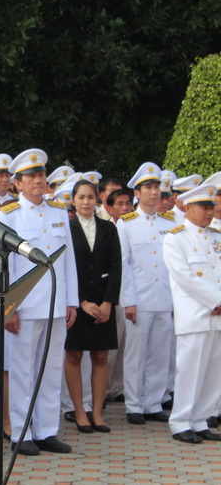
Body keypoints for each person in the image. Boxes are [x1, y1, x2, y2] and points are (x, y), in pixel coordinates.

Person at [0, 148, 78, 456]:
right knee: (22, 372)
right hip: (25, 307)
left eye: (41, 175)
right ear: (18, 183)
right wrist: (9, 308)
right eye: (31, 177)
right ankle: (20, 432)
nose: (39, 180)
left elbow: (68, 261)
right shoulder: (8, 216)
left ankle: (46, 431)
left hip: (56, 303)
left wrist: (72, 301)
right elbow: (4, 266)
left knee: (51, 369)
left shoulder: (59, 213)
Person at [117, 162, 175, 425]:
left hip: (165, 298)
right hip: (138, 299)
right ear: (137, 193)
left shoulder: (170, 223)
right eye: (148, 188)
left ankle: (153, 402)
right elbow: (124, 265)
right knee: (136, 354)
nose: (154, 192)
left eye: (156, 187)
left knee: (161, 354)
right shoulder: (127, 224)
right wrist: (128, 300)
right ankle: (134, 405)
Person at [163, 183, 221, 444]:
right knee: (189, 371)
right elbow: (185, 278)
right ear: (187, 208)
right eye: (203, 207)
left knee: (213, 372)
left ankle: (200, 420)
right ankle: (180, 421)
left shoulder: (216, 236)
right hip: (195, 314)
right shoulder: (175, 238)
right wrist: (216, 301)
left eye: (211, 206)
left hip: (217, 317)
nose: (209, 212)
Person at [63, 180, 121, 434]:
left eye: (90, 197)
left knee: (100, 356)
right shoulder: (66, 228)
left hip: (103, 302)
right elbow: (65, 267)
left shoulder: (108, 228)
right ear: (73, 200)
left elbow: (116, 267)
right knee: (74, 355)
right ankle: (79, 411)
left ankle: (97, 412)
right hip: (78, 304)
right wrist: (81, 301)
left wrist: (108, 302)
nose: (86, 202)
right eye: (81, 197)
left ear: (97, 198)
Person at [103, 188, 134, 404]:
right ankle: (102, 388)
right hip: (112, 292)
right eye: (120, 204)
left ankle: (117, 387)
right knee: (110, 346)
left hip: (130, 293)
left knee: (124, 344)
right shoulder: (106, 229)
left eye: (128, 203)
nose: (125, 208)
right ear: (110, 208)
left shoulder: (134, 227)